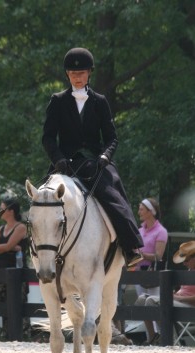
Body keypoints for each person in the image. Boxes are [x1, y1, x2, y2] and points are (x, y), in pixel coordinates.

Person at [42, 47, 143, 267]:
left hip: (95, 162)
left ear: (89, 73)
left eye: (81, 73)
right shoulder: (57, 101)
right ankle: (37, 252)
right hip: (65, 163)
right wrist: (57, 157)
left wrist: (106, 156)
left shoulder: (100, 101)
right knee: (41, 202)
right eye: (73, 73)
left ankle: (129, 246)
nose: (77, 77)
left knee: (113, 197)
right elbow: (48, 138)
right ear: (67, 74)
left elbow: (111, 138)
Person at [135, 241, 195, 345]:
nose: (184, 263)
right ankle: (153, 337)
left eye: (187, 260)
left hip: (189, 305)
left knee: (152, 301)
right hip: (179, 301)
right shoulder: (189, 271)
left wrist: (179, 298)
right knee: (141, 299)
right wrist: (175, 294)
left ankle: (169, 340)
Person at [0, 197, 28, 338]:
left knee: (19, 302)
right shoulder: (1, 228)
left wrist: (1, 248)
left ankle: (23, 335)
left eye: (2, 209)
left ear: (11, 211)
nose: (0, 212)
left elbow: (5, 246)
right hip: (1, 271)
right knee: (3, 303)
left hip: (17, 273)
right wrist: (5, 248)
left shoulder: (21, 227)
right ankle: (5, 334)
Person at [135, 198, 168, 297]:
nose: (138, 212)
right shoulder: (139, 231)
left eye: (141, 210)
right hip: (138, 273)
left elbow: (158, 256)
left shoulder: (161, 231)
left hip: (153, 275)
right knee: (140, 302)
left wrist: (141, 255)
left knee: (152, 303)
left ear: (150, 212)